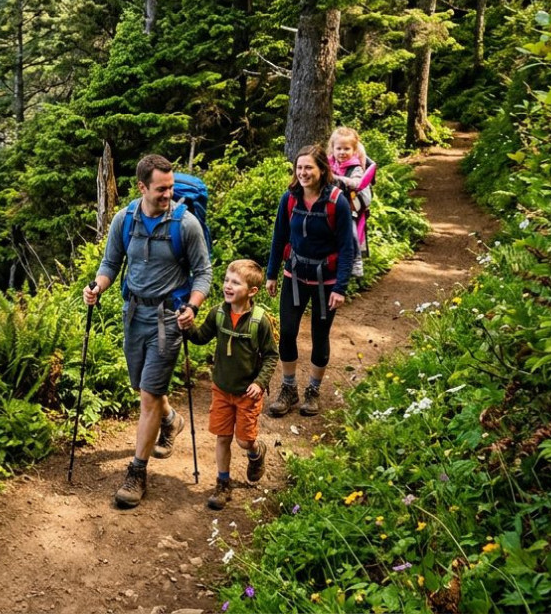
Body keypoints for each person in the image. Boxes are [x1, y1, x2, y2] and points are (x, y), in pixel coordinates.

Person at [84, 154, 212, 508]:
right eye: (160, 189)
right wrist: (97, 286)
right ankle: (170, 421)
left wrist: (194, 305)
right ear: (142, 187)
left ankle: (137, 473)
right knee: (143, 387)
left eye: (170, 188)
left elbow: (203, 273)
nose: (167, 194)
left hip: (168, 319)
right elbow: (110, 263)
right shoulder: (124, 221)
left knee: (148, 395)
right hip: (133, 314)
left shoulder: (185, 225)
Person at [265, 144, 356, 418]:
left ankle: (313, 391)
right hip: (294, 274)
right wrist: (271, 274)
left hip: (325, 282)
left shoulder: (336, 202)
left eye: (309, 168)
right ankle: (289, 387)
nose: (303, 173)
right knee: (288, 333)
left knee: (319, 335)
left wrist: (340, 287)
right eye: (299, 167)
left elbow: (347, 247)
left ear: (322, 170)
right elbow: (279, 237)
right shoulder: (289, 199)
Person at [183, 259, 278, 510]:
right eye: (226, 280)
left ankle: (256, 452)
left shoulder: (260, 321)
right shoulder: (218, 313)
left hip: (248, 392)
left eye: (235, 283)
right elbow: (202, 338)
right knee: (222, 437)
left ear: (252, 291)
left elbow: (271, 356)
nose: (228, 286)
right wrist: (187, 326)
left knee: (244, 441)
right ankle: (222, 484)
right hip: (222, 389)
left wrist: (260, 383)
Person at [328, 126, 374, 278]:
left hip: (349, 205)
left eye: (346, 149)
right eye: (339, 148)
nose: (342, 152)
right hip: (330, 203)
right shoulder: (329, 164)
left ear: (354, 150)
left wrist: (338, 179)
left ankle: (357, 261)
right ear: (333, 149)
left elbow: (356, 183)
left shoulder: (355, 167)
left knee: (351, 232)